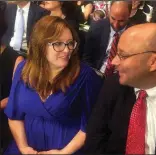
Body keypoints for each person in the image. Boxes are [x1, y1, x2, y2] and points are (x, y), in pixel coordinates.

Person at [84, 23, 156, 154]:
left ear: (154, 62)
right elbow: (94, 138)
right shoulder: (114, 85)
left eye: (123, 56)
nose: (114, 62)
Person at [4, 16, 103, 154]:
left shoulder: (86, 77)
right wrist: (23, 147)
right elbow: (14, 116)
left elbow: (90, 126)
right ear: (40, 45)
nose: (67, 50)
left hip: (67, 150)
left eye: (70, 43)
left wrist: (64, 153)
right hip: (25, 145)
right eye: (58, 44)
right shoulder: (22, 69)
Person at [82, 1, 132, 77]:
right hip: (95, 72)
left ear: (129, 15)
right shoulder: (97, 27)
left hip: (119, 77)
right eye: (113, 18)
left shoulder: (134, 34)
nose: (116, 25)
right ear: (108, 11)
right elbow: (87, 58)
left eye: (121, 21)